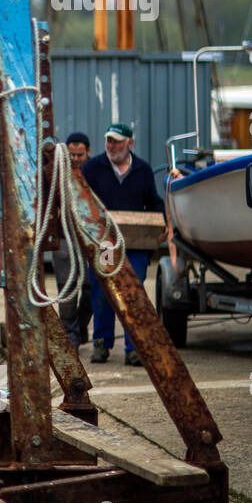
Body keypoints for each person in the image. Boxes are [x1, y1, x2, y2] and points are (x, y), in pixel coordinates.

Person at [81, 122, 164, 366]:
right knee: (103, 292)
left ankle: (133, 347)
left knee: (133, 293)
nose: (112, 145)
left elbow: (155, 202)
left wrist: (162, 225)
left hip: (136, 246)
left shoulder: (143, 170)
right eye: (109, 140)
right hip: (104, 246)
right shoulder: (93, 168)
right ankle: (101, 343)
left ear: (130, 143)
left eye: (117, 141)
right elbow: (82, 203)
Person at [50, 132, 92, 347]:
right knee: (66, 288)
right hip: (65, 235)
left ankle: (81, 326)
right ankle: (71, 335)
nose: (76, 159)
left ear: (88, 152)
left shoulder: (94, 172)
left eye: (80, 155)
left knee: (90, 287)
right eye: (72, 154)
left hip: (90, 237)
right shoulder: (58, 172)